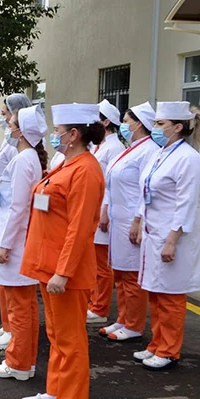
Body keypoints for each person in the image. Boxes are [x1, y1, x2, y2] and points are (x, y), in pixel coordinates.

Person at [19, 103, 105, 399]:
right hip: (50, 265)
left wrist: (63, 272)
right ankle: (56, 391)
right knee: (56, 335)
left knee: (70, 339)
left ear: (73, 135)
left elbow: (80, 228)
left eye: (57, 131)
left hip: (65, 272)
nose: (53, 136)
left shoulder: (86, 170)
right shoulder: (67, 163)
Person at [135, 101, 200, 370]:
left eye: (160, 124)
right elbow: (147, 190)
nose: (154, 128)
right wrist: (140, 222)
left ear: (178, 127)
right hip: (154, 232)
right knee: (156, 291)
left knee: (171, 296)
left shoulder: (189, 159)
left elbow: (185, 203)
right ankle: (156, 344)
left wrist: (172, 240)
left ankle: (169, 350)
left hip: (173, 235)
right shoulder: (160, 153)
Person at [0, 104, 47, 378]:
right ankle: (25, 360)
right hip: (17, 239)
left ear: (22, 131)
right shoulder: (26, 157)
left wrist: (5, 245)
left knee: (19, 308)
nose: (8, 127)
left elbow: (18, 207)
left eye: (11, 123)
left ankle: (18, 363)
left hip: (16, 243)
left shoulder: (25, 160)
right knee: (24, 306)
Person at [99, 102, 159, 341]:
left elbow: (147, 190)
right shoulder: (131, 148)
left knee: (132, 275)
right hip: (118, 218)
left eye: (126, 121)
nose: (123, 125)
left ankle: (134, 325)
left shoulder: (148, 150)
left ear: (139, 124)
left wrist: (138, 220)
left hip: (132, 219)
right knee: (121, 273)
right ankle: (123, 318)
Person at [0, 93, 31, 346]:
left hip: (9, 218)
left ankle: (14, 330)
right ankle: (7, 325)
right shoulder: (10, 142)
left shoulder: (22, 151)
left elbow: (18, 201)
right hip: (0, 213)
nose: (3, 119)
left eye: (6, 114)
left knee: (12, 281)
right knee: (2, 278)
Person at [87, 99, 126, 325]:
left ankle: (100, 307)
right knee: (93, 262)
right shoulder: (98, 146)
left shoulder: (115, 148)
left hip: (104, 210)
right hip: (94, 209)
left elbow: (111, 185)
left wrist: (104, 211)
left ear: (106, 121)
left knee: (102, 264)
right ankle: (93, 301)